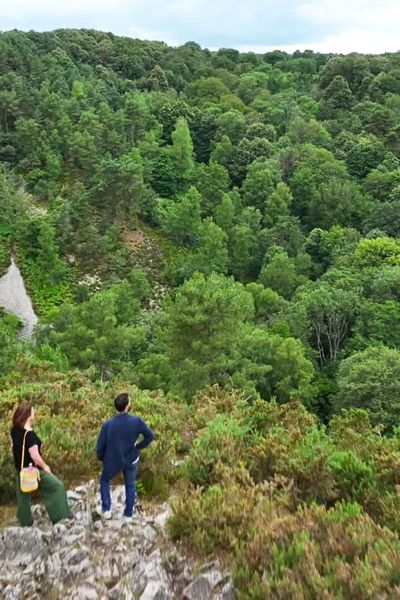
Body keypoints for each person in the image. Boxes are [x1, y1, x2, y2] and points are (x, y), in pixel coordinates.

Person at [10, 402, 71, 527]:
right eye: (33, 411)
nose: (35, 413)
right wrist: (45, 467)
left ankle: (25, 521)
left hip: (20, 470)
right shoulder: (30, 435)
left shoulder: (15, 430)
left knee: (23, 496)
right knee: (56, 486)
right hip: (32, 470)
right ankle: (61, 515)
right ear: (28, 415)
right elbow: (35, 456)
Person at [96, 392, 154, 520]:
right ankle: (128, 514)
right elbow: (150, 436)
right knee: (130, 484)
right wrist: (139, 446)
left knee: (105, 480)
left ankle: (106, 510)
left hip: (112, 460)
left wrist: (101, 457)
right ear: (127, 406)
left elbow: (100, 446)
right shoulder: (136, 421)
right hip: (131, 458)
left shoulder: (108, 424)